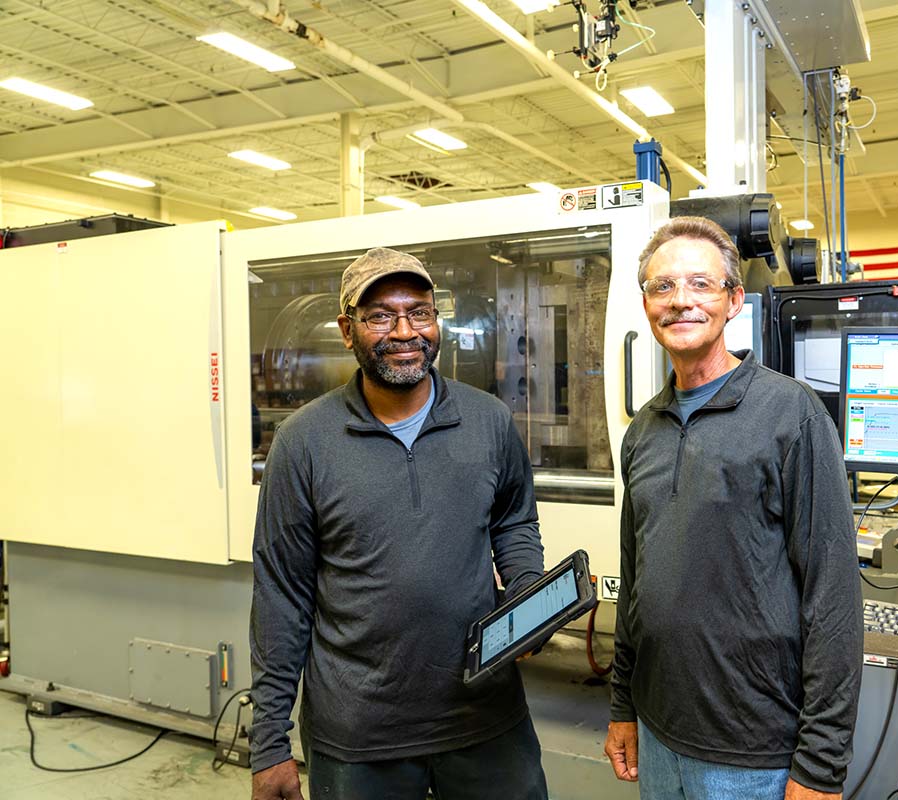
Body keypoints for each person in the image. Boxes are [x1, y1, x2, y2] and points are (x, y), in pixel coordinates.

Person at [249, 247, 549, 800]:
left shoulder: (489, 421)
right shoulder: (303, 443)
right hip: (360, 735)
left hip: (485, 718)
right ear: (347, 330)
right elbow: (280, 596)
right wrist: (269, 742)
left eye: (421, 312)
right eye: (381, 316)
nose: (406, 331)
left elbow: (513, 521)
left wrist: (527, 590)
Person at [603, 218, 863, 800]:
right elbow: (635, 583)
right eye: (663, 287)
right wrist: (623, 703)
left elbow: (834, 596)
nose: (681, 301)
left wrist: (821, 763)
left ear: (733, 301)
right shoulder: (642, 430)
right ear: (645, 305)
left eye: (701, 284)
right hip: (658, 731)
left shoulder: (789, 415)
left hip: (754, 751)